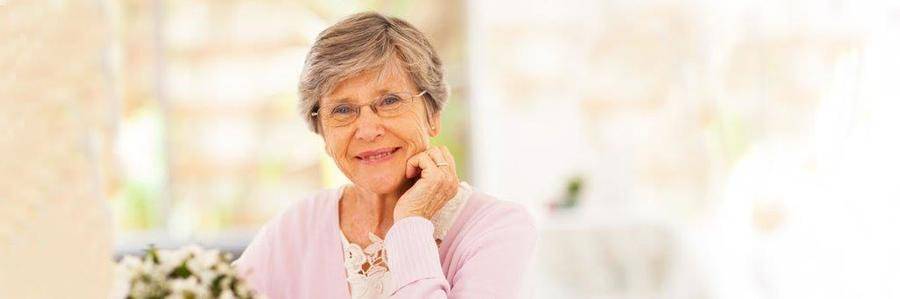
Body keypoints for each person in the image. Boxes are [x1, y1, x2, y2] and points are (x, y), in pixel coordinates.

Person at [234, 12, 537, 299]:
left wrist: (411, 224)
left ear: (433, 115)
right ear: (323, 133)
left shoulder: (497, 228)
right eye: (342, 110)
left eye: (390, 101)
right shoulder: (298, 227)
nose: (367, 129)